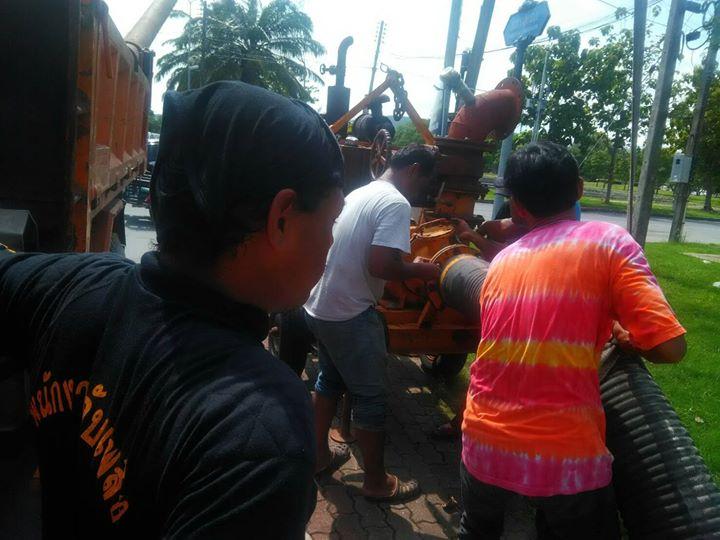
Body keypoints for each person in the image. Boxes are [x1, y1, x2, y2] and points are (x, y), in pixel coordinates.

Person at [0, 82, 345, 538]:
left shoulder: (74, 285)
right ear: (281, 218)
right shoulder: (260, 430)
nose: (331, 243)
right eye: (331, 221)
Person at [459, 141, 687, 539]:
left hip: (483, 439)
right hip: (564, 456)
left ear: (517, 206)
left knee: (476, 531)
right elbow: (670, 348)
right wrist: (628, 339)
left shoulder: (502, 261)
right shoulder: (609, 243)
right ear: (579, 188)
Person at [304, 144, 441, 502]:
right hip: (349, 313)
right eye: (424, 182)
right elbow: (381, 265)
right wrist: (423, 271)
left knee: (329, 381)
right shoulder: (395, 202)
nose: (422, 192)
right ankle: (377, 483)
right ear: (414, 170)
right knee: (371, 398)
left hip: (321, 306)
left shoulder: (360, 192)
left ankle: (318, 457)